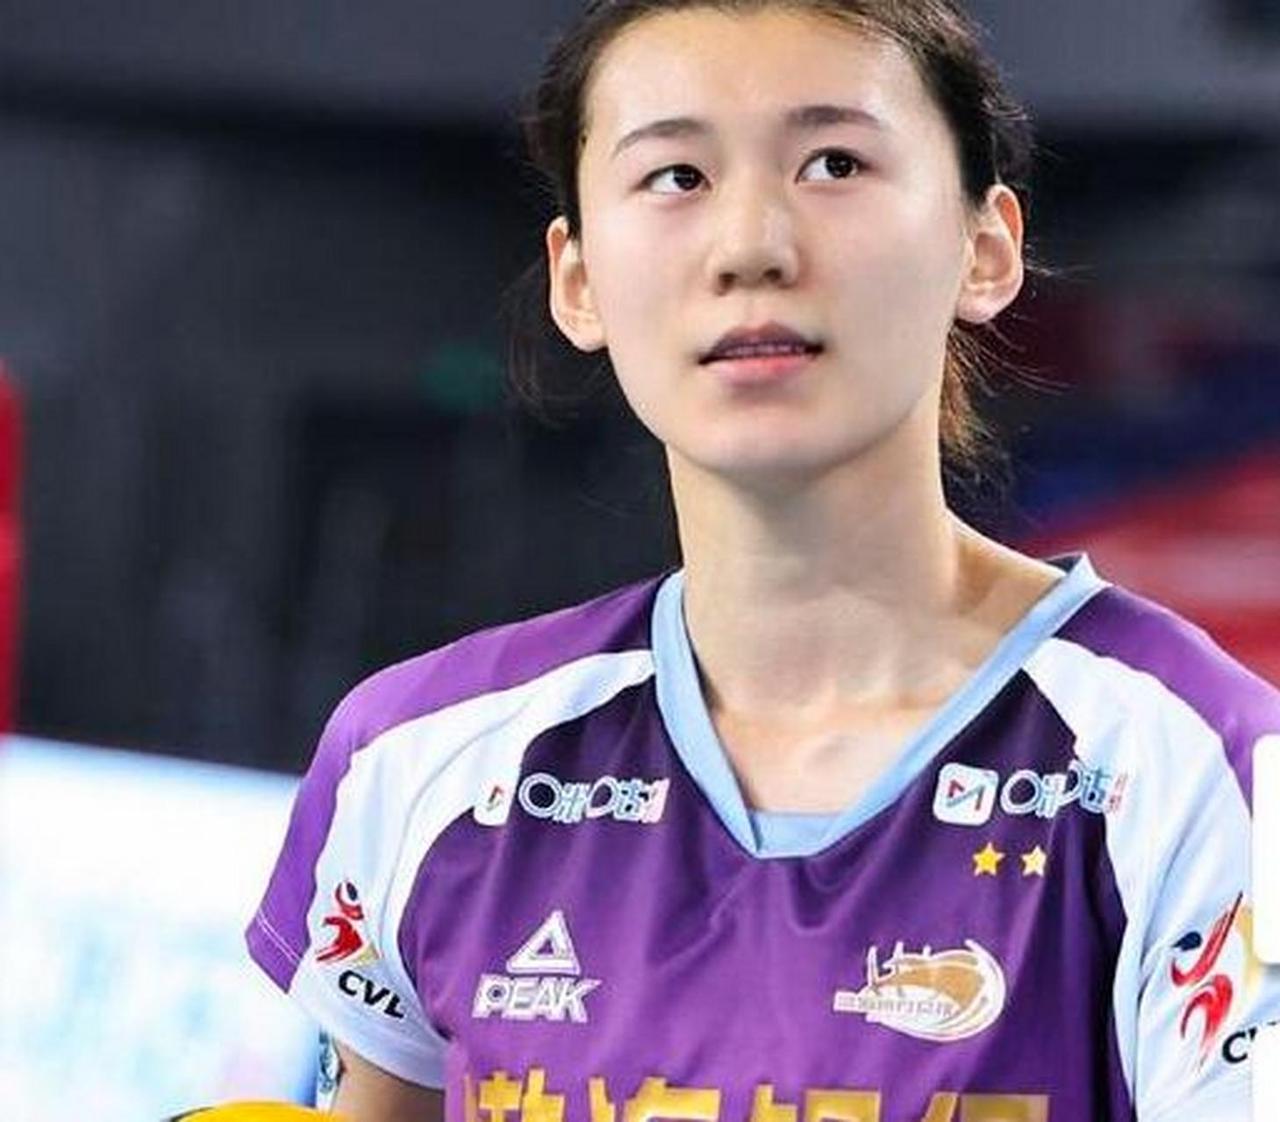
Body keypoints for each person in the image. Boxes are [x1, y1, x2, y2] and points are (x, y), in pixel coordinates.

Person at [245, 2, 1280, 1119]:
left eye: (834, 163)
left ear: (984, 249)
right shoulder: (416, 763)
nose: (751, 248)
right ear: (577, 279)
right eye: (676, 177)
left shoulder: (1201, 774)